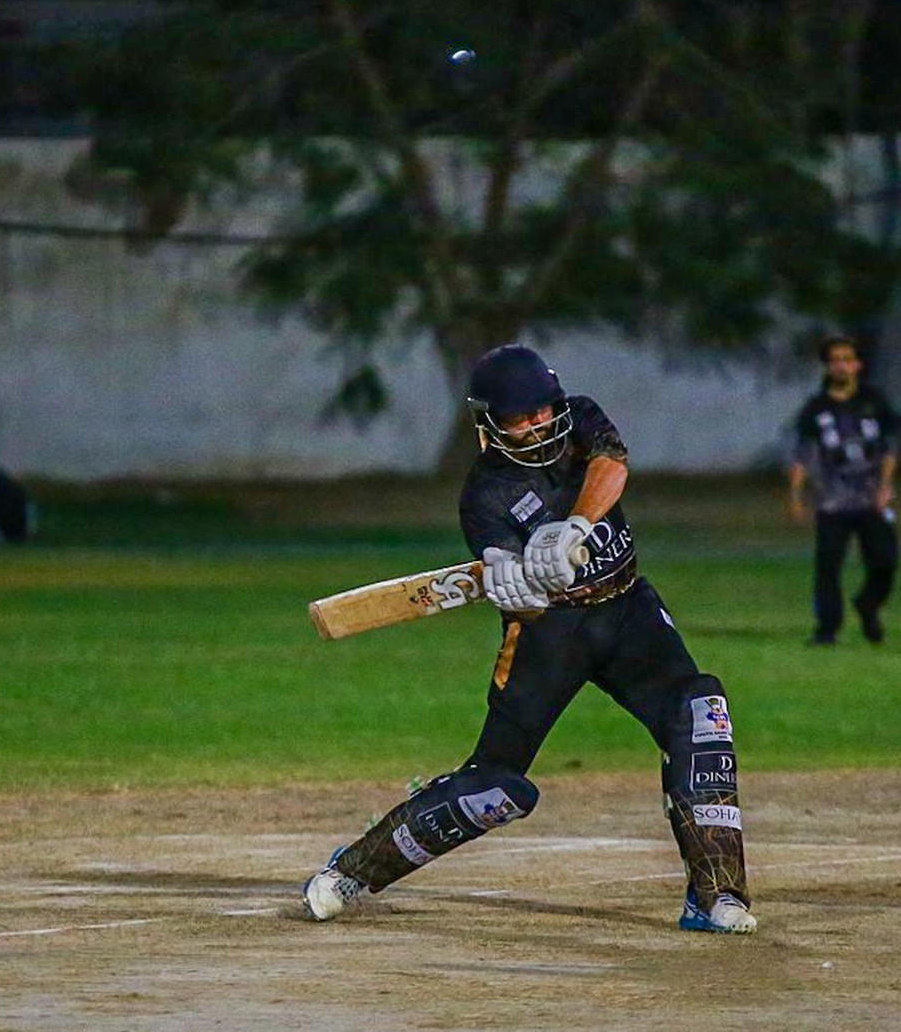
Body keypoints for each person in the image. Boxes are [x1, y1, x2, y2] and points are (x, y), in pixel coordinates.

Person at [301, 344, 756, 934]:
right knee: (496, 785)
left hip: (628, 612)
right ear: (490, 423)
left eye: (543, 409)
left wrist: (575, 526)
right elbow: (509, 581)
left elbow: (612, 466)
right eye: (521, 416)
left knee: (699, 712)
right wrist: (515, 582)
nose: (539, 422)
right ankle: (352, 870)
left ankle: (716, 896)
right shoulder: (484, 495)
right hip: (550, 636)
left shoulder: (581, 418)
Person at [786, 335, 900, 646]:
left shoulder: (874, 402)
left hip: (871, 499)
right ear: (827, 366)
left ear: (858, 365)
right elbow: (802, 455)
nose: (841, 366)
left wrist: (885, 487)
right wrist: (796, 495)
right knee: (828, 566)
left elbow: (890, 448)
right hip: (832, 501)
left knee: (885, 560)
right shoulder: (816, 409)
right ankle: (827, 629)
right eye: (835, 360)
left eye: (847, 360)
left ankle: (868, 603)